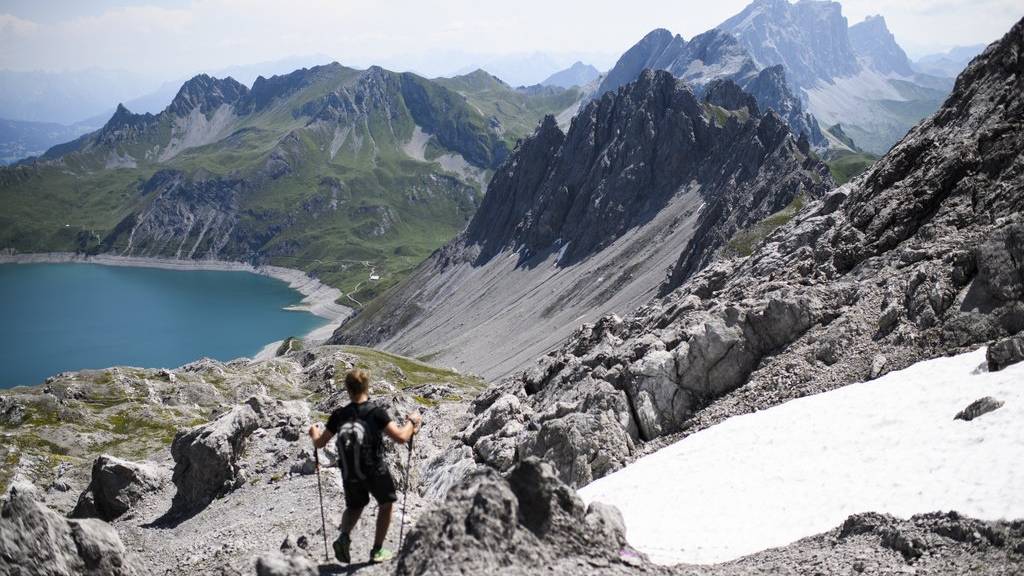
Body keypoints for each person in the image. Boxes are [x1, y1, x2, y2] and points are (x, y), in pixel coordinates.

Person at [308, 368, 422, 564]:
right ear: (367, 387)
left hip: (349, 471)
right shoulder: (376, 413)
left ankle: (344, 537)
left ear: (348, 389)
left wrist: (313, 432)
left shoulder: (339, 415)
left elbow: (319, 443)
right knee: (386, 505)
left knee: (355, 506)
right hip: (374, 469)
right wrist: (412, 422)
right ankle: (377, 550)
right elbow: (401, 437)